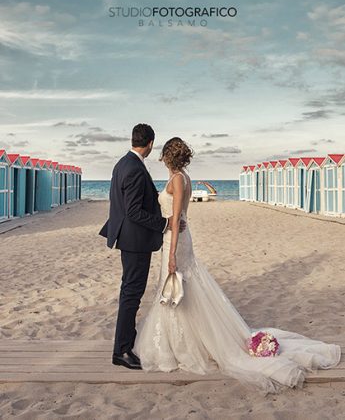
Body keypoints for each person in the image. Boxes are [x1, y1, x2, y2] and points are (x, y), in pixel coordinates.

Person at [133, 137, 341, 393]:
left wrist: (172, 252)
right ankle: (189, 340)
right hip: (181, 237)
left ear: (167, 157)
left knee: (175, 291)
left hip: (176, 239)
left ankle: (179, 348)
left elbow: (175, 220)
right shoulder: (185, 177)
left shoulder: (176, 179)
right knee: (186, 291)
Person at [99, 124, 185, 370]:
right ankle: (123, 351)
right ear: (149, 144)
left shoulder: (122, 163)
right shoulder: (135, 168)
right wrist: (165, 223)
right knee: (131, 295)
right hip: (135, 241)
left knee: (130, 292)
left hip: (127, 238)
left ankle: (125, 343)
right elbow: (134, 211)